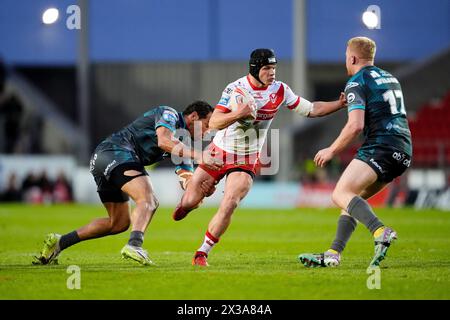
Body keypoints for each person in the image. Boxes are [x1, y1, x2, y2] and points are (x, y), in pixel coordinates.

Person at [172, 48, 347, 266]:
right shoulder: (236, 88)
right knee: (190, 200)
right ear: (255, 69)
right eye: (266, 68)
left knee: (230, 202)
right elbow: (215, 122)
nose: (272, 73)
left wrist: (339, 105)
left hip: (247, 157)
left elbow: (311, 109)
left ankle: (202, 252)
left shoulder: (280, 90)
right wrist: (239, 113)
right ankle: (188, 203)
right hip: (220, 151)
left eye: (273, 68)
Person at [34, 101, 221, 266]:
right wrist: (198, 155)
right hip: (115, 151)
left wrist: (200, 191)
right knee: (148, 200)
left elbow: (187, 180)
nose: (207, 131)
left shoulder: (184, 145)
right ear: (193, 116)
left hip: (104, 160)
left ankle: (59, 242)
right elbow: (164, 141)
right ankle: (134, 245)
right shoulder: (169, 114)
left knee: (118, 223)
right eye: (206, 125)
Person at [299, 37, 412, 268]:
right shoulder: (390, 77)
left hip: (381, 146)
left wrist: (331, 149)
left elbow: (356, 125)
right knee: (351, 200)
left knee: (339, 193)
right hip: (403, 150)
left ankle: (379, 231)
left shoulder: (356, 81)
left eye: (345, 56)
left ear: (352, 57)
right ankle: (333, 253)